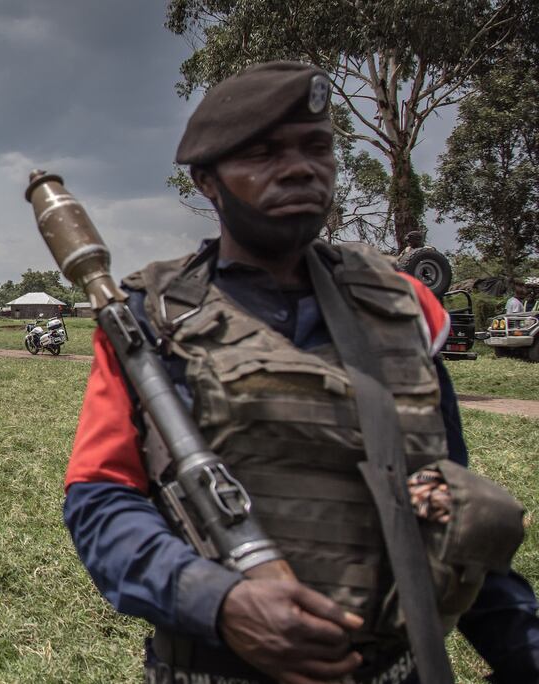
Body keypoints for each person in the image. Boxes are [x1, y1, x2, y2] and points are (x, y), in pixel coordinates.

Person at [63, 61, 539, 684]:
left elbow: (447, 503)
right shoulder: (147, 320)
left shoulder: (403, 308)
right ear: (207, 180)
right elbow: (101, 500)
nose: (298, 168)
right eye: (262, 153)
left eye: (317, 148)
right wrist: (219, 601)